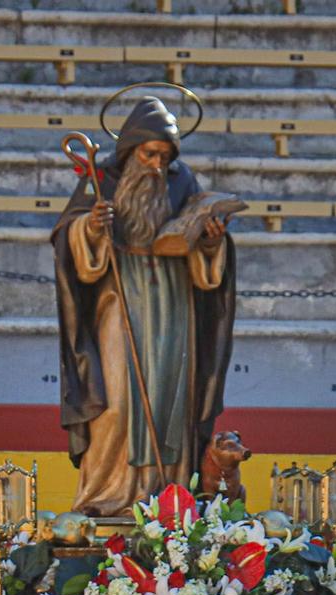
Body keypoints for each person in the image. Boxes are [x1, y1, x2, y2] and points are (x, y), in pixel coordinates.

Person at [51, 96, 237, 517]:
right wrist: (92, 228)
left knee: (171, 401)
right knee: (116, 401)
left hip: (174, 303)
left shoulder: (182, 181)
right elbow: (68, 241)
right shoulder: (100, 181)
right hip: (119, 298)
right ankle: (106, 495)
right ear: (131, 149)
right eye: (149, 153)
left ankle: (165, 501)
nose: (156, 164)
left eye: (164, 157)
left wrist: (208, 239)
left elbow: (205, 262)